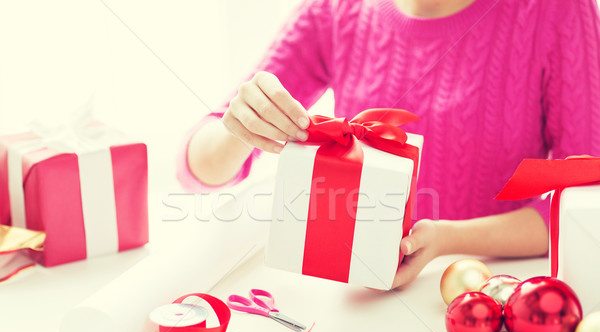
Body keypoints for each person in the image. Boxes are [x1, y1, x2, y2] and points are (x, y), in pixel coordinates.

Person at [178, 0, 600, 289]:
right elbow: (197, 167)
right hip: (359, 299)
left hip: (489, 297)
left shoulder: (557, 11)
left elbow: (583, 199)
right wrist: (239, 128)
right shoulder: (337, 9)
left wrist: (446, 240)